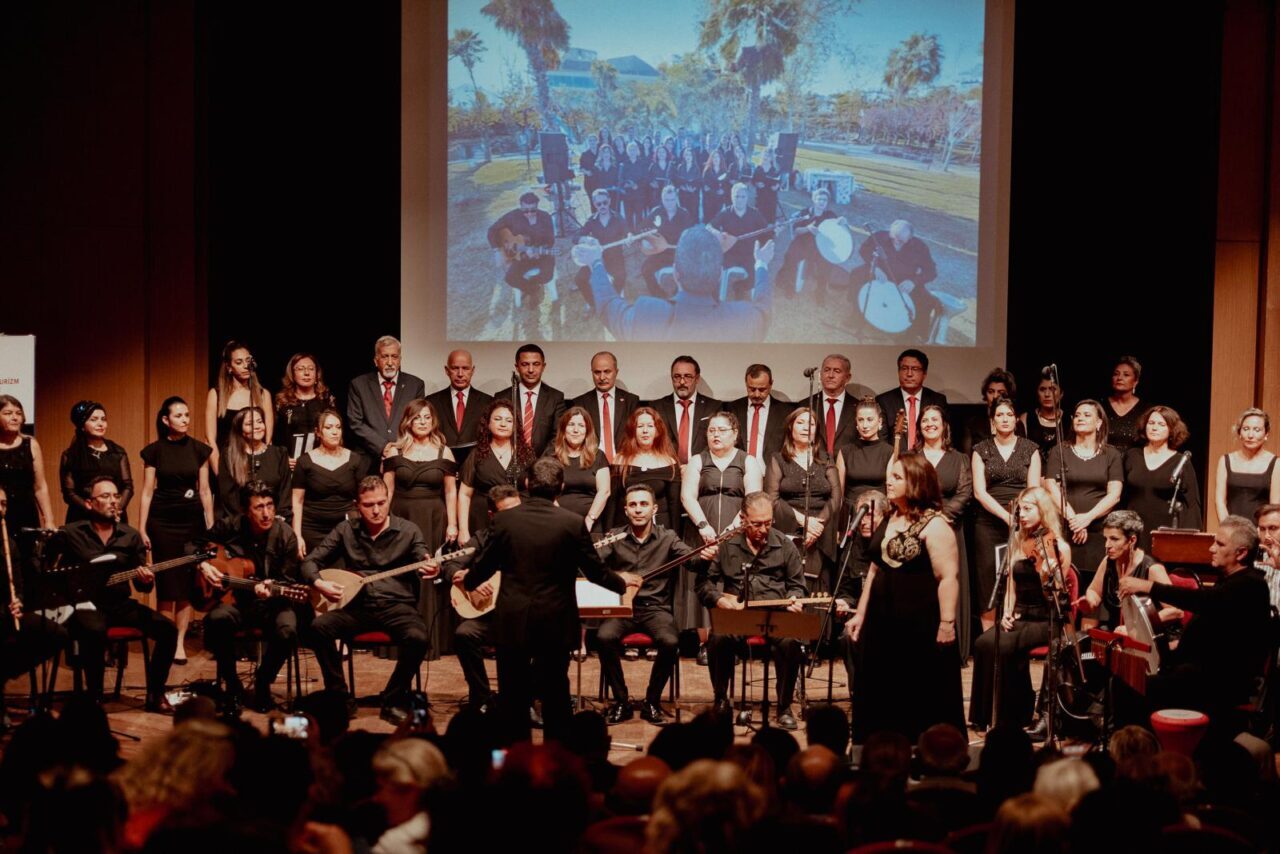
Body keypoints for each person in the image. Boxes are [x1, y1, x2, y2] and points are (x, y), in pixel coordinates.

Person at [466, 458, 640, 739]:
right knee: (556, 695)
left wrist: (472, 581)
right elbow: (595, 572)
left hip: (513, 621)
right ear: (560, 487)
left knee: (512, 698)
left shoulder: (504, 520)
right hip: (555, 621)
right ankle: (555, 764)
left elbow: (481, 568)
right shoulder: (571, 523)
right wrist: (623, 585)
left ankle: (513, 763)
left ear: (526, 485)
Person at [845, 453, 964, 742]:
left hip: (918, 623)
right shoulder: (891, 517)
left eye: (897, 477)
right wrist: (861, 613)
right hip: (882, 620)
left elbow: (948, 578)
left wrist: (947, 623)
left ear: (916, 483)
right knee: (881, 685)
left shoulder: (936, 525)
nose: (889, 481)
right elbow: (875, 569)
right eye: (890, 476)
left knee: (916, 687)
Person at [1117, 515, 1272, 732]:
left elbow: (1203, 602)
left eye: (1219, 544)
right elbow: (1214, 630)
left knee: (1131, 686)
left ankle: (1140, 753)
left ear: (1242, 553)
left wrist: (1147, 586)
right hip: (1200, 673)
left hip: (1218, 684)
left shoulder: (1250, 585)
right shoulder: (1231, 581)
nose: (1211, 549)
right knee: (1129, 675)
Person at [303, 476, 437, 724]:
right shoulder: (345, 530)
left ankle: (393, 698)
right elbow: (310, 561)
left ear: (389, 501)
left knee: (418, 638)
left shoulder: (408, 530)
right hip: (357, 608)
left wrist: (429, 567)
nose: (376, 510)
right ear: (357, 505)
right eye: (368, 505)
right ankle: (340, 697)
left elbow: (422, 556)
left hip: (397, 606)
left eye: (381, 502)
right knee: (318, 627)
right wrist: (319, 582)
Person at [51, 476, 178, 711]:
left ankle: (156, 694)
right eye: (106, 496)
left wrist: (145, 579)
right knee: (94, 630)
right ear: (90, 503)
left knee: (168, 629)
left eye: (116, 496)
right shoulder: (70, 533)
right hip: (84, 605)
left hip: (119, 604)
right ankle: (95, 696)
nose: (113, 501)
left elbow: (143, 588)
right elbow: (53, 574)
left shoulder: (130, 536)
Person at [196, 480, 308, 713]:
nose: (266, 513)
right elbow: (193, 545)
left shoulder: (286, 536)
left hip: (273, 603)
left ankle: (263, 681)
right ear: (246, 510)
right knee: (216, 621)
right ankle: (233, 684)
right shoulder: (231, 526)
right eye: (259, 507)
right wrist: (204, 564)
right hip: (237, 602)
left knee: (287, 630)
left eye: (270, 505)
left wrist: (271, 588)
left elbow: (288, 581)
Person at [597, 483, 702, 726]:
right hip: (623, 607)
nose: (638, 510)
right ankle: (621, 701)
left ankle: (652, 702)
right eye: (633, 505)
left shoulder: (668, 537)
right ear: (625, 510)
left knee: (670, 641)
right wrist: (618, 577)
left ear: (654, 508)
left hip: (656, 608)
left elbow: (694, 562)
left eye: (644, 504)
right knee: (603, 637)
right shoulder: (614, 536)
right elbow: (593, 567)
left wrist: (705, 556)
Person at [702, 491, 808, 730]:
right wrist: (719, 600)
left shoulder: (784, 545)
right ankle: (721, 700)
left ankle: (784, 706)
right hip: (738, 615)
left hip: (775, 615)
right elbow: (706, 584)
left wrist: (795, 599)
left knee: (791, 641)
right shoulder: (728, 546)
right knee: (717, 637)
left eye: (768, 523)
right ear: (743, 519)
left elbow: (798, 586)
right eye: (756, 524)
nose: (763, 529)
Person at [968, 485, 1067, 731]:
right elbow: (1011, 585)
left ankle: (1014, 714)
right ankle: (987, 715)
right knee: (984, 643)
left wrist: (1047, 576)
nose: (1021, 514)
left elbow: (1057, 595)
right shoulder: (1017, 541)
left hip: (1047, 618)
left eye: (1027, 509)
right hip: (1021, 614)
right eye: (1019, 509)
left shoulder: (1059, 547)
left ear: (1042, 511)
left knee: (1006, 646)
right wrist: (1006, 614)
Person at [577, 225, 776, 342]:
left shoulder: (646, 315)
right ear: (718, 277)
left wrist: (596, 262)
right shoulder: (742, 319)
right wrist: (761, 264)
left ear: (675, 273)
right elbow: (763, 309)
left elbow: (608, 306)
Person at [682, 412, 766, 659]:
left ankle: (729, 642)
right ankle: (704, 644)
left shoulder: (747, 461)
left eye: (721, 430)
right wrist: (703, 525)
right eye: (711, 430)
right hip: (702, 532)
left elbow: (752, 500)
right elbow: (687, 496)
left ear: (735, 434)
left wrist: (731, 530)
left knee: (731, 583)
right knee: (703, 582)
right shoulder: (698, 460)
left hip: (737, 531)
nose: (715, 435)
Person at [138, 396, 214, 665]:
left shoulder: (199, 450)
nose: (185, 419)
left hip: (191, 522)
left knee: (184, 587)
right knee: (167, 586)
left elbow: (205, 491)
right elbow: (147, 493)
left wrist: (210, 526)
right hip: (162, 523)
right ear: (165, 420)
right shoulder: (154, 451)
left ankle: (179, 642)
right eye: (179, 415)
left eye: (187, 414)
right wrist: (142, 528)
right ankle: (166, 640)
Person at [382, 399, 458, 657]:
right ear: (408, 421)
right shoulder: (394, 451)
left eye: (427, 417)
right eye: (417, 418)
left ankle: (429, 640)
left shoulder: (444, 452)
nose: (423, 422)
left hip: (433, 519)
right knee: (401, 574)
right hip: (400, 516)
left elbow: (451, 492)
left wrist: (453, 524)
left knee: (428, 574)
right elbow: (387, 490)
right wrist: (383, 521)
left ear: (433, 420)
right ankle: (398, 642)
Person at [445, 484, 521, 711]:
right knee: (464, 634)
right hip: (490, 617)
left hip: (520, 615)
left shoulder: (531, 537)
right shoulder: (481, 539)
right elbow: (451, 564)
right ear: (492, 515)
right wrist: (469, 580)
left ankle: (523, 701)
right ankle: (482, 698)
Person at [972, 397, 1041, 630]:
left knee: (1019, 577)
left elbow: (1033, 490)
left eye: (1009, 415)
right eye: (999, 415)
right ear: (992, 421)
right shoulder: (980, 449)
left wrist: (1021, 517)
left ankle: (1016, 634)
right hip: (988, 521)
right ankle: (989, 638)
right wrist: (1005, 516)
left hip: (1023, 521)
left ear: (1016, 420)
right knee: (987, 580)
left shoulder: (1030, 449)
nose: (1004, 419)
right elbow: (980, 492)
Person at [1042, 400, 1123, 587]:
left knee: (1093, 592)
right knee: (1065, 589)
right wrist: (1074, 520)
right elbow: (1051, 486)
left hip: (1098, 532)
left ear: (1099, 423)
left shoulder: (1111, 454)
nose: (1080, 419)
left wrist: (1087, 518)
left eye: (1087, 415)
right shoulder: (1059, 451)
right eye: (1077, 415)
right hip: (1064, 529)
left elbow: (1114, 495)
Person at [0, 486, 68, 698]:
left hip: (7, 613)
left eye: (3, 504)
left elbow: (18, 583)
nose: (0, 509)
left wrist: (18, 601)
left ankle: (3, 675)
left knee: (57, 634)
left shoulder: (8, 543)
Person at [919, 404, 974, 658]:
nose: (929, 423)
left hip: (951, 529)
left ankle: (952, 647)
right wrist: (924, 519)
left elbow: (965, 491)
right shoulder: (911, 457)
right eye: (925, 420)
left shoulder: (960, 458)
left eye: (934, 419)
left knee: (950, 582)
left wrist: (941, 517)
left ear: (944, 426)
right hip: (917, 529)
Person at [765, 407, 842, 587]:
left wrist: (817, 525)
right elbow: (772, 498)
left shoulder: (826, 458)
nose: (806, 428)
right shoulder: (778, 459)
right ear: (790, 428)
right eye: (800, 423)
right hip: (789, 530)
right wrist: (805, 522)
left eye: (811, 423)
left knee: (818, 592)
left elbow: (836, 496)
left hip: (821, 533)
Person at [1077, 510, 1179, 631]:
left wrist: (1134, 627)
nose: (1107, 545)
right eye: (1106, 538)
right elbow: (1094, 591)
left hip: (1151, 638)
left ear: (1132, 540)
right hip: (1118, 635)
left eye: (1114, 539)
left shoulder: (1152, 568)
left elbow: (1175, 611)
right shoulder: (1108, 562)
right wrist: (1089, 601)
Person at [1122, 405, 1202, 551]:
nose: (1154, 428)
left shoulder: (1181, 461)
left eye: (1161, 424)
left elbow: (1192, 504)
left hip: (1165, 531)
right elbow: (1122, 496)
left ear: (1171, 429)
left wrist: (1190, 542)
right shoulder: (1132, 455)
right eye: (1151, 423)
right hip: (1134, 529)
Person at [849, 220, 941, 344]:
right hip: (881, 274)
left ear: (910, 237)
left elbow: (931, 271)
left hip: (904, 281)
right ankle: (857, 315)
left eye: (901, 240)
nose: (897, 242)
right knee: (856, 275)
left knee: (927, 301)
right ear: (890, 231)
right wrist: (874, 267)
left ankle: (910, 335)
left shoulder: (920, 247)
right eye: (894, 238)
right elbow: (864, 250)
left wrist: (914, 282)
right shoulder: (879, 236)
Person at [290, 409, 365, 560]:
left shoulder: (355, 459)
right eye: (329, 427)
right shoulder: (305, 462)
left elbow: (362, 498)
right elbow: (297, 502)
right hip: (312, 529)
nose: (335, 432)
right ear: (318, 432)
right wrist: (297, 536)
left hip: (345, 528)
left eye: (338, 427)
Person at [346, 336, 427, 474]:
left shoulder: (415, 385)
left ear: (400, 360)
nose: (390, 362)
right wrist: (383, 446)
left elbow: (417, 420)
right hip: (367, 460)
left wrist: (398, 448)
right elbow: (355, 422)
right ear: (376, 360)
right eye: (385, 357)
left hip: (406, 457)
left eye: (394, 357)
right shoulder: (359, 384)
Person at [457, 399, 533, 545]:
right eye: (497, 419)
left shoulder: (526, 454)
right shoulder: (477, 454)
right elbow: (464, 494)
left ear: (515, 425)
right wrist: (463, 530)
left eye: (508, 420)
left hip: (518, 520)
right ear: (488, 423)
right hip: (481, 519)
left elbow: (536, 491)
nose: (503, 424)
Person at [204, 340, 273, 475]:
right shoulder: (216, 395)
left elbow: (268, 439)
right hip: (226, 465)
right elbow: (210, 439)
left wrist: (263, 468)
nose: (245, 366)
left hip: (256, 466)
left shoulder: (263, 395)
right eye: (239, 362)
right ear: (229, 367)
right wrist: (220, 472)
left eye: (248, 361)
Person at [60, 400, 133, 524]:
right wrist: (92, 508)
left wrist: (116, 508)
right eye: (94, 419)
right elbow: (69, 493)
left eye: (103, 419)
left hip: (114, 515)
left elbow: (127, 486)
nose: (100, 424)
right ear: (82, 425)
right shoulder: (71, 455)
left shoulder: (117, 452)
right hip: (83, 517)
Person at [216, 407, 291, 522]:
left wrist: (276, 517)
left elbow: (285, 491)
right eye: (250, 424)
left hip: (273, 521)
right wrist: (247, 520)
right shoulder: (229, 455)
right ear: (240, 430)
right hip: (241, 524)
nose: (257, 426)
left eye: (260, 422)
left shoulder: (279, 453)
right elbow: (228, 496)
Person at [648, 355, 724, 467]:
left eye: (688, 377)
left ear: (697, 378)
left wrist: (694, 467)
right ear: (672, 378)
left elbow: (718, 442)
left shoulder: (713, 407)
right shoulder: (657, 407)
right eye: (677, 377)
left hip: (702, 471)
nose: (682, 382)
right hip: (666, 471)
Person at [776, 187, 848, 304]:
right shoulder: (804, 213)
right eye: (819, 199)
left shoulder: (830, 215)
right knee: (791, 256)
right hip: (802, 243)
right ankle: (790, 286)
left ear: (827, 202)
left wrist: (843, 222)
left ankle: (820, 292)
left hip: (820, 247)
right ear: (814, 200)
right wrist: (808, 228)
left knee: (827, 262)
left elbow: (837, 230)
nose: (821, 202)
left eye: (824, 200)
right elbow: (796, 231)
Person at [546, 406, 610, 533]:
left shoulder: (598, 455)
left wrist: (589, 520)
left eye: (581, 425)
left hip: (591, 524)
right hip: (557, 522)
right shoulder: (550, 455)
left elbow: (604, 491)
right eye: (571, 425)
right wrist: (561, 518)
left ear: (587, 431)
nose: (576, 430)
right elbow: (545, 490)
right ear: (564, 429)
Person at [568, 351, 639, 465]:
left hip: (624, 464)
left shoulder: (631, 401)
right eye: (597, 372)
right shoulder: (580, 403)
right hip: (591, 465)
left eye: (607, 372)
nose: (602, 377)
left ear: (616, 372)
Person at [0, 395, 55, 544]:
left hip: (26, 515)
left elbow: (40, 487)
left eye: (18, 413)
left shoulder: (30, 444)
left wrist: (48, 520)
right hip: (2, 516)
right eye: (8, 413)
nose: (15, 417)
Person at [425, 349, 493, 467]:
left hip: (477, 468)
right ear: (447, 370)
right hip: (440, 467)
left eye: (465, 368)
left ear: (473, 370)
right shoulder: (431, 402)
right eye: (455, 368)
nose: (460, 374)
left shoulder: (488, 402)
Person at [487, 191, 557, 302]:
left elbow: (550, 240)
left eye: (533, 210)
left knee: (547, 276)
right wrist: (496, 250)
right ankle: (533, 290)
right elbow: (492, 230)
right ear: (521, 207)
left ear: (537, 207)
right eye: (525, 210)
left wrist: (539, 251)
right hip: (521, 257)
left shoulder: (545, 217)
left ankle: (531, 286)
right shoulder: (513, 216)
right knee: (510, 278)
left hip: (542, 254)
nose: (529, 213)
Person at [501, 343, 566, 458]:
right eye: (525, 364)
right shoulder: (503, 397)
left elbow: (558, 435)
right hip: (508, 462)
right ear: (517, 367)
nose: (531, 370)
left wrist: (540, 465)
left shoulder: (555, 397)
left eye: (536, 364)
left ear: (543, 366)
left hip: (543, 464)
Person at [875, 349, 949, 448]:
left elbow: (945, 436)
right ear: (898, 371)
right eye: (904, 368)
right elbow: (881, 439)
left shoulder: (937, 400)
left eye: (915, 369)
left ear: (924, 374)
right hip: (895, 459)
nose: (909, 374)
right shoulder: (884, 401)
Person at [573, 189, 630, 318]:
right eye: (599, 204)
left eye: (605, 202)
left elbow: (627, 231)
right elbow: (575, 237)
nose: (602, 206)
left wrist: (629, 236)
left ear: (609, 201)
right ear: (594, 204)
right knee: (580, 279)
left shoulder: (618, 218)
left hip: (614, 256)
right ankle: (593, 303)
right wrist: (586, 239)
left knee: (621, 276)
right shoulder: (591, 221)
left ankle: (612, 302)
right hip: (596, 258)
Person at [1215, 407, 1279, 521]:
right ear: (1239, 433)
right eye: (1246, 429)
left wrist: (1264, 532)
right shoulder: (1225, 460)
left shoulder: (1276, 463)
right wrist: (1227, 529)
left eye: (1257, 430)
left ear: (1266, 434)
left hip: (1261, 531)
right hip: (1231, 531)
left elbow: (1274, 507)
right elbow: (1220, 501)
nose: (1250, 435)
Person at [272, 353, 337, 465]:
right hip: (289, 464)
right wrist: (282, 460)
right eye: (301, 369)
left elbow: (335, 433)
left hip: (321, 463)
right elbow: (274, 436)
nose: (306, 373)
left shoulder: (326, 401)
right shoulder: (282, 402)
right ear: (292, 374)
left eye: (311, 369)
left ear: (317, 374)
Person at [708, 183, 771, 296]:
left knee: (754, 276)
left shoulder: (755, 213)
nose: (740, 200)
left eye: (743, 197)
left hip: (748, 254)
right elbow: (709, 226)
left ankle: (739, 287)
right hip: (729, 253)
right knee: (714, 270)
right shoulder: (725, 213)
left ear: (747, 198)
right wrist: (717, 233)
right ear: (732, 197)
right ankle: (714, 297)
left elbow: (767, 232)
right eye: (737, 196)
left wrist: (775, 230)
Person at [727, 363, 795, 466]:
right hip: (739, 472)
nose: (757, 394)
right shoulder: (732, 408)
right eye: (752, 389)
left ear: (771, 384)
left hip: (772, 474)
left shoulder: (786, 412)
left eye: (762, 389)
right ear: (746, 383)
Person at [836, 397, 893, 506]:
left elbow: (891, 493)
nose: (865, 425)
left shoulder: (888, 452)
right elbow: (839, 494)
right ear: (856, 422)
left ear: (880, 421)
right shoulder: (845, 451)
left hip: (878, 512)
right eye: (861, 420)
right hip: (850, 511)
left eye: (870, 420)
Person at [639, 185, 695, 297]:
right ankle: (660, 295)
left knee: (688, 271)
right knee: (645, 269)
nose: (669, 203)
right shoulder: (656, 212)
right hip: (660, 252)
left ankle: (677, 295)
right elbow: (642, 230)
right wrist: (646, 241)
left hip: (678, 253)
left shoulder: (684, 214)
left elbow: (690, 237)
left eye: (672, 200)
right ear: (662, 199)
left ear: (677, 199)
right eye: (666, 200)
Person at [809, 354, 860, 458]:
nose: (830, 375)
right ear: (820, 374)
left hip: (847, 469)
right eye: (827, 370)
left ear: (847, 377)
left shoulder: (858, 407)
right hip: (813, 468)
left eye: (837, 371)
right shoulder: (806, 405)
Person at [963, 368, 1022, 454]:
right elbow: (966, 458)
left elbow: (1023, 454)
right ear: (985, 394)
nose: (995, 396)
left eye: (1000, 392)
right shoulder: (973, 423)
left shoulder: (1017, 424)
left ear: (1008, 394)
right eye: (991, 392)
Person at [1102, 356, 1144, 452]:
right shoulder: (1100, 407)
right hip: (1104, 462)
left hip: (1134, 464)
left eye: (1126, 375)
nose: (1119, 378)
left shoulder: (1146, 410)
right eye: (1116, 374)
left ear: (1135, 382)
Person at [1020, 369, 1064, 459]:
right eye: (1042, 389)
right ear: (1037, 392)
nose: (1047, 394)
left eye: (1052, 389)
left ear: (1061, 394)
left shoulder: (1071, 420)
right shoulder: (1026, 418)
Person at [674, 144, 703, 222]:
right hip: (683, 193)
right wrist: (681, 187)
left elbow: (699, 181)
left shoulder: (696, 168)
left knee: (693, 214)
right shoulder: (680, 167)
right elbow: (677, 180)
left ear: (692, 156)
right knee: (684, 213)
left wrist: (694, 188)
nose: (688, 156)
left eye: (690, 155)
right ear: (684, 156)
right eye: (686, 155)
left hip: (693, 194)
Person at [750, 148, 781, 221]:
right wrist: (757, 184)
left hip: (771, 199)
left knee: (769, 220)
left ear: (771, 158)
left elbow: (779, 182)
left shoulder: (775, 169)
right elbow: (753, 181)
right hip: (760, 198)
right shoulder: (758, 169)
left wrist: (777, 187)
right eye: (764, 155)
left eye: (768, 156)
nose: (765, 157)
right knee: (759, 219)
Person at [701, 150, 731, 220]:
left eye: (717, 157)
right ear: (711, 159)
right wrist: (712, 190)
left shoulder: (724, 171)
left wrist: (723, 190)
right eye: (714, 157)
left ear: (720, 158)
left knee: (717, 219)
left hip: (719, 199)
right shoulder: (707, 171)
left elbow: (727, 185)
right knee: (709, 219)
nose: (716, 159)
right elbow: (705, 186)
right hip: (709, 199)